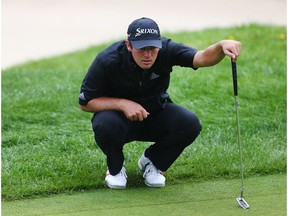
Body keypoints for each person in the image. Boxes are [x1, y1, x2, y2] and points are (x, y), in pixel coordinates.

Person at [79, 17, 241, 189]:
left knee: (189, 123)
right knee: (105, 125)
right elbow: (85, 102)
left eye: (152, 48)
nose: (148, 55)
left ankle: (153, 162)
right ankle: (116, 168)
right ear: (129, 45)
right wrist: (123, 104)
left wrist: (220, 46)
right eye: (142, 49)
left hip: (154, 113)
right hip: (117, 119)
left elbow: (202, 58)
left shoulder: (166, 49)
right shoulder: (107, 60)